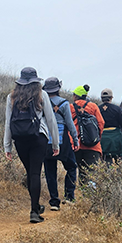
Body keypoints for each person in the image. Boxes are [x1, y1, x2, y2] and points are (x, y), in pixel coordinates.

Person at [3, 67, 59, 223]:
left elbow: (8, 122)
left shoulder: (11, 97)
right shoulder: (42, 94)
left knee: (30, 173)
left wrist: (7, 146)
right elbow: (50, 120)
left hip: (20, 139)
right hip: (38, 137)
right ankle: (34, 211)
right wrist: (55, 143)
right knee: (35, 173)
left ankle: (36, 206)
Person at [42, 77, 78, 210]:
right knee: (71, 167)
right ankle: (69, 197)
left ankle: (54, 202)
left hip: (46, 141)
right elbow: (70, 123)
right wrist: (75, 139)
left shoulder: (41, 103)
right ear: (58, 89)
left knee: (50, 171)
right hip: (63, 141)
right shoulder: (64, 103)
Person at [70, 85, 105, 187]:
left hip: (76, 145)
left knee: (80, 171)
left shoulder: (71, 107)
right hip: (93, 146)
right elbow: (101, 123)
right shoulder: (93, 106)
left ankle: (80, 191)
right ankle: (90, 193)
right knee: (92, 173)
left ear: (75, 96)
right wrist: (97, 138)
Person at [98, 88, 122, 165]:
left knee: (105, 163)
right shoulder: (117, 109)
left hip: (102, 140)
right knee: (120, 162)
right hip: (116, 140)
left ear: (101, 98)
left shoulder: (97, 109)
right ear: (111, 98)